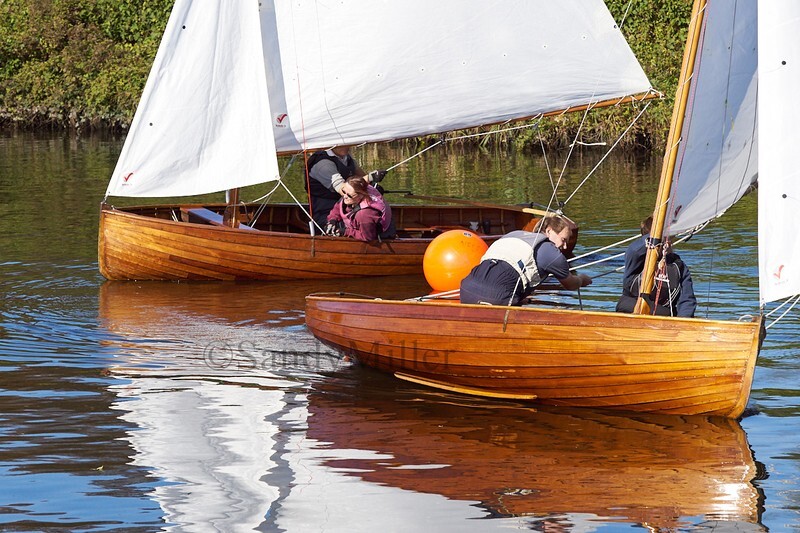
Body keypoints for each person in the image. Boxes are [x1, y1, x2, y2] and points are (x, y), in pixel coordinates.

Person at [460, 216, 591, 306]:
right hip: (496, 297)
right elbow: (570, 284)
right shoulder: (551, 252)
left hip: (466, 289)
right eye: (563, 240)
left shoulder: (514, 234)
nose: (565, 246)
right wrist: (581, 279)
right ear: (549, 231)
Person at [616, 216, 697, 317]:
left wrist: (683, 324)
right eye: (665, 239)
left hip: (664, 320)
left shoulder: (678, 267)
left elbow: (687, 300)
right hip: (630, 313)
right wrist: (656, 238)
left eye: (669, 238)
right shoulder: (636, 259)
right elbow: (634, 250)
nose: (667, 243)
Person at [305, 145, 387, 229]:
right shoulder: (323, 164)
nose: (347, 146)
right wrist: (370, 177)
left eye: (348, 143)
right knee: (363, 223)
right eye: (342, 143)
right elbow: (344, 190)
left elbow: (361, 176)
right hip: (325, 213)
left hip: (347, 208)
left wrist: (373, 186)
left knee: (373, 216)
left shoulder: (346, 158)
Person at [324, 176, 395, 241]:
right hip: (359, 224)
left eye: (349, 195)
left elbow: (367, 237)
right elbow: (337, 208)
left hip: (376, 234)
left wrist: (345, 231)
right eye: (343, 191)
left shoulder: (365, 214)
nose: (345, 196)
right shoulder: (349, 197)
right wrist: (332, 220)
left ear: (361, 195)